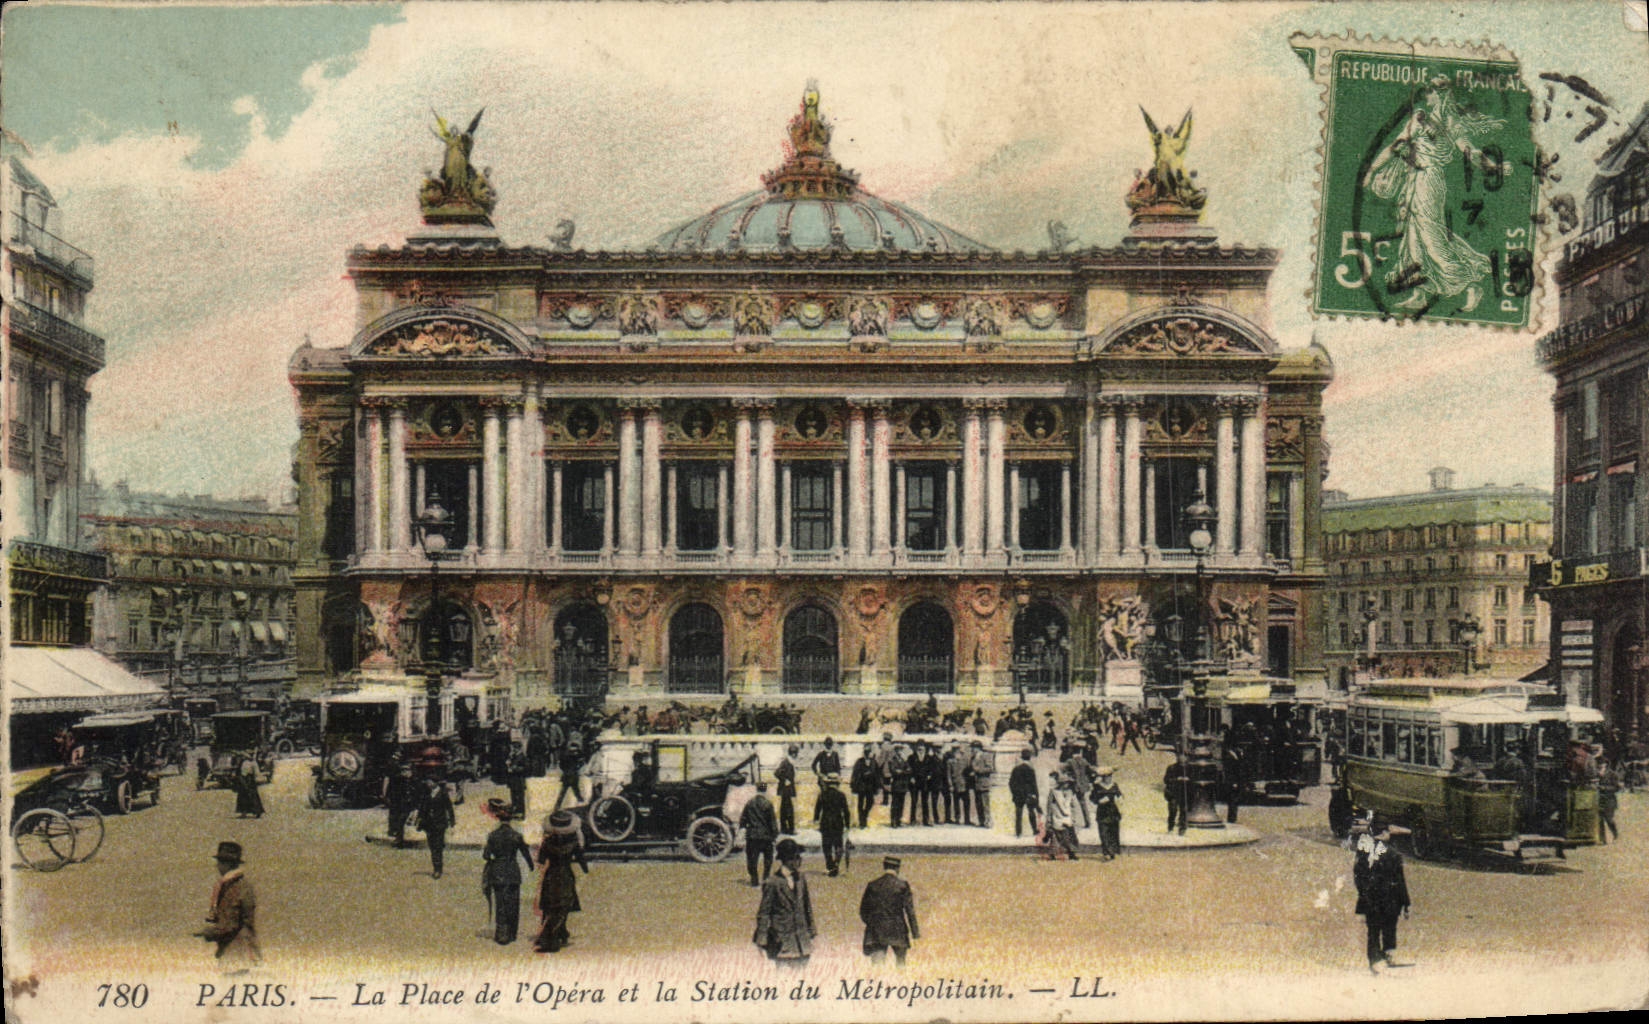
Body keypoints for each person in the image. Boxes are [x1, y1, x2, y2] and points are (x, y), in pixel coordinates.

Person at [1353, 818, 1412, 974]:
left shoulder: (1363, 852)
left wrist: (1362, 897)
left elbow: (1358, 877)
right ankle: (1389, 954)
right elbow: (1400, 881)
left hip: (1370, 898)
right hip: (1391, 900)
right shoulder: (1394, 854)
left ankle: (1374, 960)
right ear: (1385, 833)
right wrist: (1406, 903)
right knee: (1390, 927)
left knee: (1373, 930)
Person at [193, 841, 262, 970]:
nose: (217, 866)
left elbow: (230, 924)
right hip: (242, 951)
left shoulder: (234, 888)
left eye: (220, 862)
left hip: (237, 953)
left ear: (227, 864)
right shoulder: (239, 885)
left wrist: (209, 933)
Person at [753, 838, 815, 968]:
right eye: (796, 857)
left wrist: (811, 930)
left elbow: (807, 907)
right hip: (782, 942)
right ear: (787, 860)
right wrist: (762, 938)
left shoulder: (801, 878)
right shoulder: (772, 882)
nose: (799, 861)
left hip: (802, 941)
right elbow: (764, 913)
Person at [532, 810, 589, 953]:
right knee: (563, 905)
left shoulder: (547, 843)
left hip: (551, 875)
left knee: (550, 905)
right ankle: (557, 934)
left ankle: (557, 933)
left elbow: (540, 860)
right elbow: (582, 860)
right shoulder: (574, 843)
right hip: (566, 874)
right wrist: (585, 869)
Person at [481, 799, 534, 945]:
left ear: (498, 819)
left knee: (500, 903)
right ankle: (512, 933)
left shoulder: (493, 835)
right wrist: (531, 866)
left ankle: (501, 934)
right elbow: (526, 854)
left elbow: (486, 855)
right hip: (513, 872)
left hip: (497, 872)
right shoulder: (517, 836)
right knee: (513, 903)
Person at [859, 857, 920, 964]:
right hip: (898, 930)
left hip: (877, 931)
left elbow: (863, 910)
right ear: (897, 868)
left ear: (884, 866)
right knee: (901, 965)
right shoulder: (903, 886)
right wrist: (915, 933)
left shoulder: (873, 885)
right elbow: (910, 911)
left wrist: (872, 923)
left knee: (877, 966)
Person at [740, 782, 780, 886]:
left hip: (753, 836)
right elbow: (772, 821)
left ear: (756, 790)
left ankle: (754, 879)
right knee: (768, 859)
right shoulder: (768, 804)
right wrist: (775, 835)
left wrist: (743, 829)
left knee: (752, 859)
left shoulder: (750, 803)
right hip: (766, 836)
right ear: (765, 790)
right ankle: (766, 877)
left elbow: (743, 819)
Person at [814, 772, 852, 877]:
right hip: (837, 823)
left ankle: (830, 865)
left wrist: (816, 820)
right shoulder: (841, 795)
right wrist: (847, 825)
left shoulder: (822, 794)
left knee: (827, 846)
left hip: (825, 822)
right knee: (838, 845)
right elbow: (846, 811)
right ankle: (836, 864)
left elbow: (817, 809)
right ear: (837, 783)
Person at [421, 777, 456, 879]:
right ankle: (436, 866)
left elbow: (449, 807)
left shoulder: (443, 793)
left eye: (430, 781)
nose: (428, 783)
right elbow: (423, 807)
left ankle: (438, 869)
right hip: (429, 824)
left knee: (437, 846)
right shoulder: (427, 793)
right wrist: (420, 819)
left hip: (440, 823)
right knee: (432, 846)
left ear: (435, 783)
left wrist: (452, 821)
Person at [1044, 771, 1080, 860]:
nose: (1066, 785)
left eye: (1068, 783)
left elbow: (1074, 805)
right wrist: (1049, 818)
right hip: (1056, 816)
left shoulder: (1070, 793)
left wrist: (1074, 817)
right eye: (1065, 783)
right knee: (1055, 837)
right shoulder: (1054, 792)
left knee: (1069, 836)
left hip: (1067, 818)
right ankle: (1052, 854)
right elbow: (1049, 806)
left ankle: (1071, 853)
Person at [1091, 766, 1123, 860]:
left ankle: (1113, 852)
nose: (1108, 779)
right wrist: (1099, 801)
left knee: (1113, 832)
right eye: (1106, 777)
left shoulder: (1114, 785)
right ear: (1103, 777)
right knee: (1103, 832)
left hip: (1113, 812)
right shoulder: (1097, 786)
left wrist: (1120, 799)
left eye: (1109, 776)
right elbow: (1092, 798)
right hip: (1102, 812)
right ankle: (1106, 852)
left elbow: (1119, 795)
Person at [1009, 748, 1041, 838]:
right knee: (1031, 812)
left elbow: (1011, 783)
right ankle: (1034, 830)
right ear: (1030, 757)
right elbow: (1034, 784)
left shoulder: (1016, 769)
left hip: (1018, 794)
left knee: (1018, 813)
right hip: (1028, 794)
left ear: (1021, 757)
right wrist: (1036, 796)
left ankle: (1018, 832)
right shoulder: (1030, 769)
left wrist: (1014, 793)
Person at [384, 762, 417, 845]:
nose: (405, 772)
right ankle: (399, 838)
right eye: (403, 770)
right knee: (400, 820)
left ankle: (399, 838)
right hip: (400, 804)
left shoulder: (415, 780)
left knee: (403, 820)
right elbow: (390, 791)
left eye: (407, 770)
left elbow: (418, 793)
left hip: (410, 804)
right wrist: (390, 800)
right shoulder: (397, 780)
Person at [850, 749, 880, 828]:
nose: (868, 754)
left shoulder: (874, 762)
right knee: (860, 804)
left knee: (870, 802)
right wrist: (855, 783)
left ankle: (864, 815)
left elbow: (877, 773)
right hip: (861, 786)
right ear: (865, 754)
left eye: (869, 753)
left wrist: (877, 785)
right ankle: (862, 822)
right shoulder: (859, 761)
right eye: (867, 753)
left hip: (870, 786)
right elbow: (855, 773)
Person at [969, 740, 994, 828]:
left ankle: (988, 821)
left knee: (985, 804)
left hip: (984, 783)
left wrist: (978, 770)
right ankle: (981, 821)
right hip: (976, 784)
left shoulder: (985, 756)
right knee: (978, 803)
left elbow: (990, 768)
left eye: (973, 748)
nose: (972, 750)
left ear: (978, 748)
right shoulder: (973, 757)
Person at [775, 746, 799, 835]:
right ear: (792, 754)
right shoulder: (786, 762)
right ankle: (790, 829)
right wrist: (784, 780)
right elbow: (776, 773)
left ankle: (784, 828)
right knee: (789, 809)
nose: (796, 755)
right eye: (795, 753)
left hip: (787, 789)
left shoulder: (789, 762)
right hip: (785, 790)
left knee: (784, 809)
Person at [947, 742, 972, 825]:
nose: (956, 752)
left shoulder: (966, 760)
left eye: (957, 749)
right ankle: (957, 818)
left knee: (967, 802)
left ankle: (967, 820)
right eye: (954, 750)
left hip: (964, 784)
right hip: (955, 784)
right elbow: (948, 775)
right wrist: (950, 785)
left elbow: (969, 772)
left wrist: (968, 783)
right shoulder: (950, 761)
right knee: (956, 803)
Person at [1597, 760, 1621, 844]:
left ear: (1606, 764)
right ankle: (1602, 839)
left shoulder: (1612, 774)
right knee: (1599, 820)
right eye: (1598, 763)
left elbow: (1617, 788)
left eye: (1601, 763)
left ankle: (1615, 835)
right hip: (1599, 799)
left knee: (1609, 819)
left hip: (1610, 800)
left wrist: (1604, 788)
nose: (1599, 765)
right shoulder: (1596, 773)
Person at [234, 755, 265, 819]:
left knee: (252, 796)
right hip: (244, 780)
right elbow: (239, 771)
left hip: (250, 781)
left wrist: (257, 779)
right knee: (243, 796)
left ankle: (257, 812)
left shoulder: (253, 763)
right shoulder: (243, 762)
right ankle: (244, 813)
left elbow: (256, 773)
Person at [888, 744, 911, 828]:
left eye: (901, 750)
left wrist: (901, 771)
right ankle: (893, 821)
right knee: (895, 803)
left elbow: (909, 770)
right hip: (896, 784)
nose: (900, 752)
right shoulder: (892, 760)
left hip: (903, 785)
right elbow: (894, 771)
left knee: (901, 803)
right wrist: (904, 771)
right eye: (898, 750)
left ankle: (899, 820)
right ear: (895, 751)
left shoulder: (904, 760)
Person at [1164, 755, 1188, 835]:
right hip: (1173, 793)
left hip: (1184, 793)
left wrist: (1187, 780)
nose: (1183, 765)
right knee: (1172, 811)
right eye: (1181, 763)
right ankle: (1170, 827)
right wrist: (1177, 779)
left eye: (1184, 763)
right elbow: (1166, 780)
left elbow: (1193, 779)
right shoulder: (1172, 768)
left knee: (1184, 811)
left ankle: (1182, 829)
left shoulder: (1188, 769)